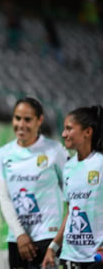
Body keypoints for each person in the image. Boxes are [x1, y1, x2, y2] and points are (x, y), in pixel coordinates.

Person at [0, 97, 69, 269]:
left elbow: (72, 192)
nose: (21, 125)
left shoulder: (55, 151)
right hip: (17, 239)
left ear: (39, 120)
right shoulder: (3, 155)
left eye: (27, 119)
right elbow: (4, 198)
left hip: (47, 238)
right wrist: (20, 234)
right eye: (17, 118)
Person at [42, 105, 103, 269]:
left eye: (69, 129)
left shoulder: (100, 164)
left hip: (96, 257)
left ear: (87, 132)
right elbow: (70, 212)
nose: (63, 134)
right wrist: (53, 247)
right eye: (63, 129)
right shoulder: (68, 167)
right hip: (70, 256)